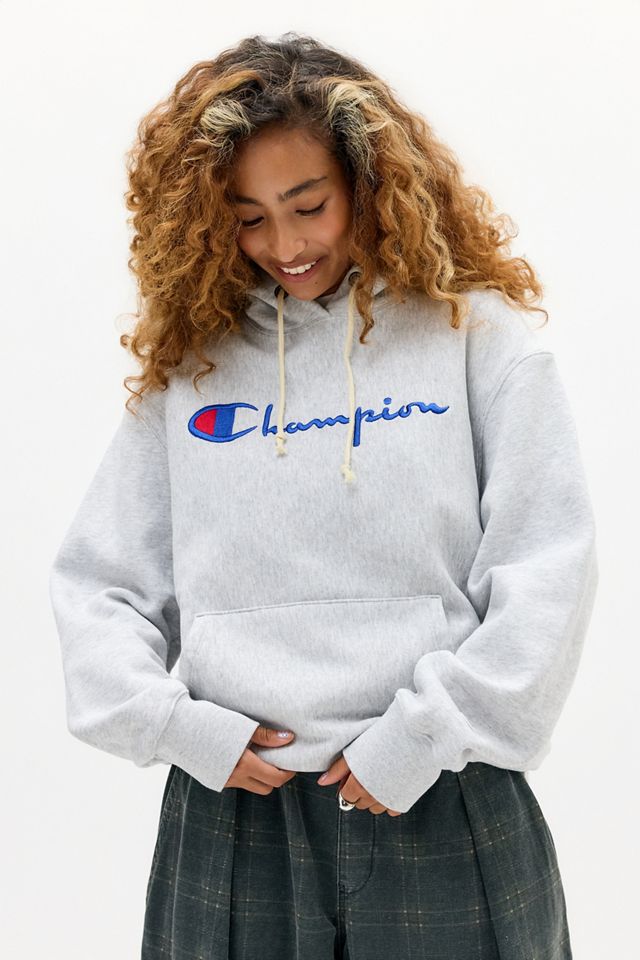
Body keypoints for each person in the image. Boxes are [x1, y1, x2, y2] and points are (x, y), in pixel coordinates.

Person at [48, 31, 599, 960]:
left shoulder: (476, 338)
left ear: (369, 182)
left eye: (309, 205)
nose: (287, 245)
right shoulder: (193, 371)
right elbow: (98, 587)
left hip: (444, 793)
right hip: (234, 812)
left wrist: (426, 735)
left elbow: (549, 569)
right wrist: (177, 727)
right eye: (249, 217)